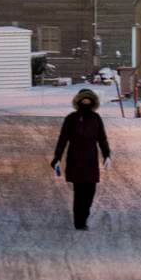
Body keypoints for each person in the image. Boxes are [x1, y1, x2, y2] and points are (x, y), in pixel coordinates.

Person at [51, 89, 111, 231]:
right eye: (83, 100)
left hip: (91, 161)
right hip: (76, 160)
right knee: (79, 193)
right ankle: (79, 222)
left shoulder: (96, 118)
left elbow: (102, 138)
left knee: (90, 192)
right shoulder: (71, 118)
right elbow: (63, 139)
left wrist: (107, 154)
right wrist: (57, 157)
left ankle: (84, 216)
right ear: (78, 102)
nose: (86, 102)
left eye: (88, 100)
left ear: (93, 102)